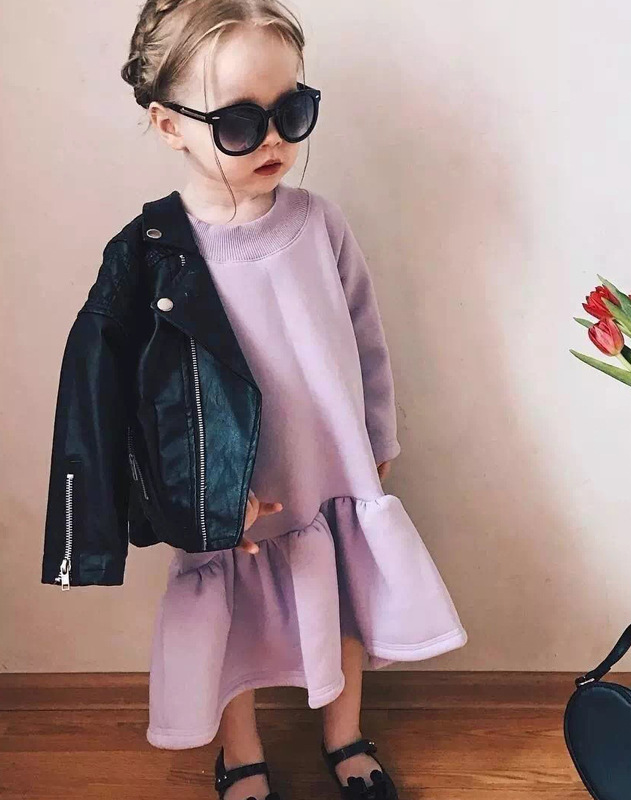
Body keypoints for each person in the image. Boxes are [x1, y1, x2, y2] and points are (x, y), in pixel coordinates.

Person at [42, 2, 468, 799]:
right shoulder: (156, 254)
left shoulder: (319, 224)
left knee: (341, 602)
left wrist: (377, 439)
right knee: (227, 622)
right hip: (229, 495)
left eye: (291, 112)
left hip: (328, 472)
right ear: (170, 125)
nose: (273, 139)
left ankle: (345, 736)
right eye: (240, 122)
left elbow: (366, 340)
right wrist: (189, 503)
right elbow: (126, 404)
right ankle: (241, 754)